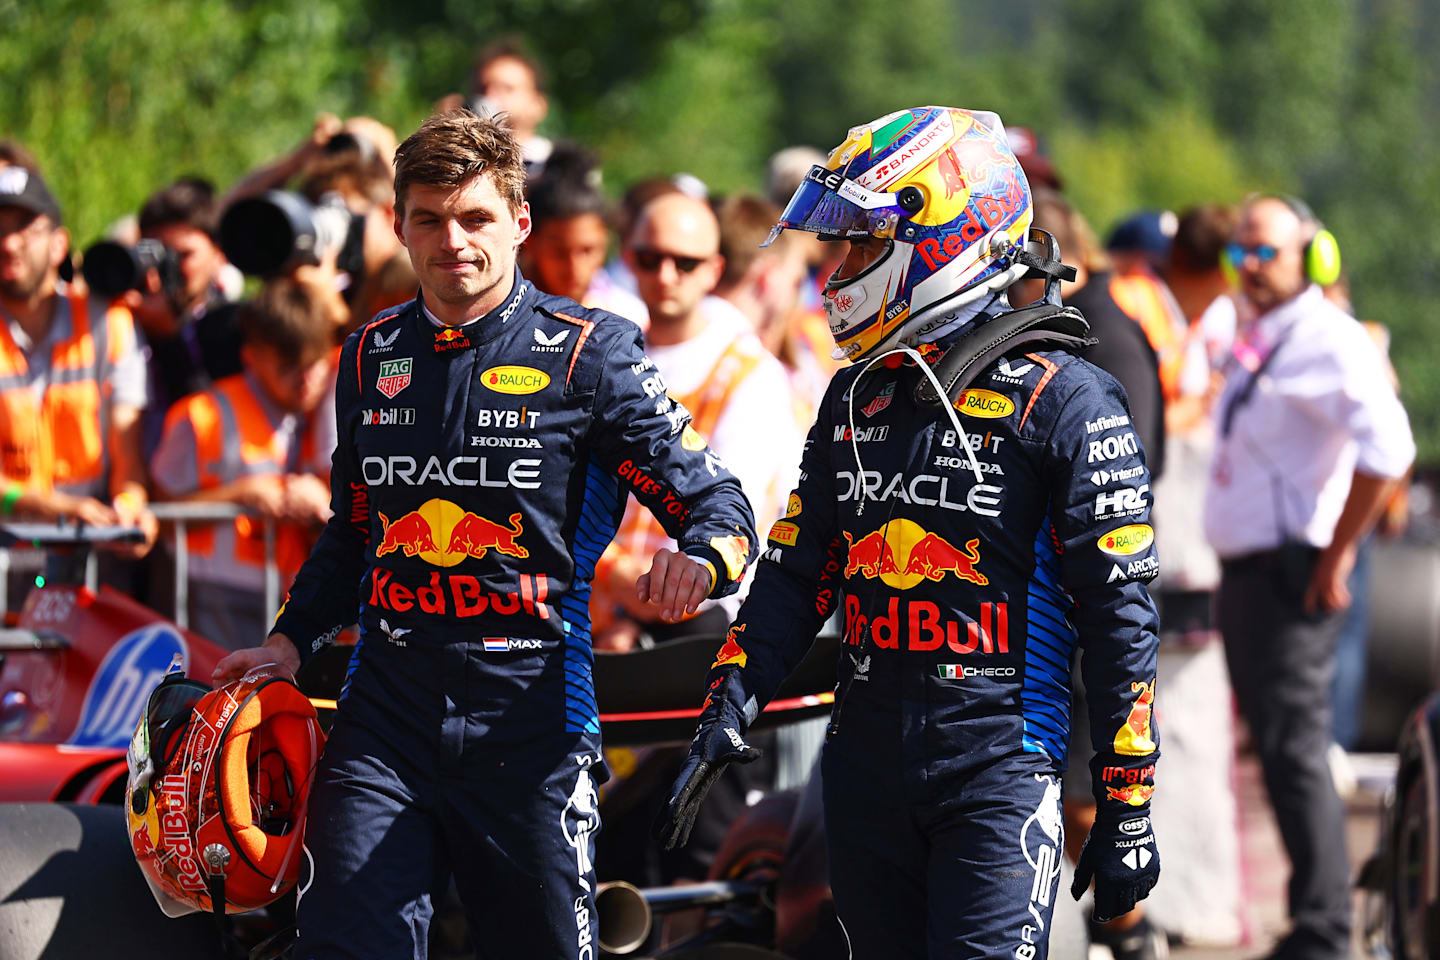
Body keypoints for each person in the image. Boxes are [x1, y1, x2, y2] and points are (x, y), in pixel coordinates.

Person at [212, 109, 757, 960]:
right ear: (398, 224)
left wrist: (701, 560)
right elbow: (352, 538)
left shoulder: (590, 355)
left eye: (475, 218)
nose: (451, 241)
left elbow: (719, 501)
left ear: (519, 223)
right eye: (428, 218)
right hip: (386, 710)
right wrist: (286, 643)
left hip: (531, 717)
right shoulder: (366, 359)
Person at [658, 106, 1161, 959]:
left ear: (939, 233)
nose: (838, 270)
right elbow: (794, 573)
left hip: (1000, 766)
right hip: (863, 767)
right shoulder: (855, 397)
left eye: (860, 244)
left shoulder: (1070, 400)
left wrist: (1128, 802)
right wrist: (730, 697)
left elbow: (1121, 619)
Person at [1204, 195, 1414, 960]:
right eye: (1242, 251)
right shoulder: (1266, 334)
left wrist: (1338, 553)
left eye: (1266, 251)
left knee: (1296, 753)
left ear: (1312, 257)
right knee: (1282, 751)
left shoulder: (1329, 339)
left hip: (1290, 575)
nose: (1250, 265)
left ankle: (1323, 931)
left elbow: (1389, 451)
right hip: (1253, 577)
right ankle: (1315, 917)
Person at [589, 191, 798, 648]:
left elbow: (734, 515)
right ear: (627, 258)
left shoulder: (747, 370)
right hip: (599, 609)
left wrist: (631, 597)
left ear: (713, 270)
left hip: (700, 617)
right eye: (649, 259)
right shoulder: (601, 360)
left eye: (684, 263)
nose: (665, 276)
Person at [150, 274, 340, 650]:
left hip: (287, 602)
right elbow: (159, 516)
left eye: (315, 365)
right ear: (251, 357)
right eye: (289, 368)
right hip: (209, 603)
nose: (306, 382)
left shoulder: (323, 414)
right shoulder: (202, 416)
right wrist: (244, 494)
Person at [0, 164, 157, 557]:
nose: (8, 244)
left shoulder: (108, 322)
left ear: (58, 244)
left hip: (90, 559)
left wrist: (129, 507)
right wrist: (54, 508)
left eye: (23, 228)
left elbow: (128, 453)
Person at [714, 193, 837, 426]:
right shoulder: (756, 372)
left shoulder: (656, 340)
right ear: (768, 276)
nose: (798, 298)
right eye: (796, 282)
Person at [132, 178, 245, 430]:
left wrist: (168, 339)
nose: (169, 268)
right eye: (158, 254)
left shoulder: (236, 327)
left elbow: (213, 424)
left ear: (218, 254)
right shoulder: (123, 318)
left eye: (184, 255)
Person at [523, 159, 648, 326]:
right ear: (529, 243)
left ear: (605, 242)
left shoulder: (628, 318)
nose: (574, 267)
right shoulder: (501, 314)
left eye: (588, 250)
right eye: (559, 252)